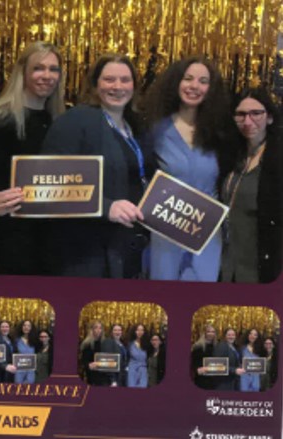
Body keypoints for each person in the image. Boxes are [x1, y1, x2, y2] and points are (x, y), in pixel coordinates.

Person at [42, 53, 150, 278]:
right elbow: (49, 184)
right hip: (85, 253)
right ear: (95, 84)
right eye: (109, 79)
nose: (118, 86)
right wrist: (105, 207)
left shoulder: (134, 126)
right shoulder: (75, 121)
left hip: (126, 248)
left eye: (125, 80)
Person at [0, 41, 65, 275]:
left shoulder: (61, 120)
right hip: (13, 236)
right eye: (38, 68)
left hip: (53, 237)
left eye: (53, 69)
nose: (47, 75)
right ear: (22, 71)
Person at [145, 56, 234, 281]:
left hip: (207, 234)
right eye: (188, 78)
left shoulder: (222, 133)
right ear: (176, 83)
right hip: (165, 232)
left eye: (203, 81)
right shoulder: (155, 130)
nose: (195, 86)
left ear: (211, 89)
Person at [220, 88, 283, 283]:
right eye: (241, 114)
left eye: (256, 113)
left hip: (261, 266)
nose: (248, 121)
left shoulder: (278, 159)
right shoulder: (230, 155)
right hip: (226, 263)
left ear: (270, 118)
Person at [80, 321, 108, 386]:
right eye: (96, 328)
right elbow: (84, 361)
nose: (98, 330)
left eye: (100, 328)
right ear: (92, 330)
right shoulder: (87, 344)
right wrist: (89, 365)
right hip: (92, 374)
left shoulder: (105, 342)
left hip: (103, 374)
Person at [191, 324, 217, 389]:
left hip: (214, 378)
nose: (211, 333)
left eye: (213, 332)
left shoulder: (217, 346)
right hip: (202, 378)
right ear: (204, 333)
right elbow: (193, 362)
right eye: (208, 331)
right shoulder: (198, 346)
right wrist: (197, 370)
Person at [127, 324, 149, 388]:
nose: (140, 332)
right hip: (132, 370)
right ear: (134, 331)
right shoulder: (130, 344)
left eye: (142, 330)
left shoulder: (147, 344)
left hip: (143, 370)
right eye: (138, 330)